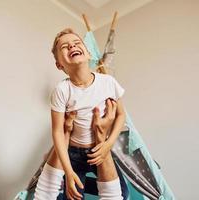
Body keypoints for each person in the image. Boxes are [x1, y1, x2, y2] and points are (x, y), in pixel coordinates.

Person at [34, 28, 126, 200]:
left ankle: (87, 182)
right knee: (74, 195)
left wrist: (108, 144)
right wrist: (68, 172)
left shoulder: (108, 82)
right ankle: (71, 180)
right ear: (59, 65)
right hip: (74, 152)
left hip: (99, 149)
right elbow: (57, 131)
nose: (72, 46)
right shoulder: (62, 90)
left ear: (88, 53)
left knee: (124, 192)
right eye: (65, 47)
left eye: (77, 43)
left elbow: (121, 115)